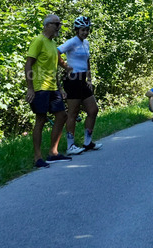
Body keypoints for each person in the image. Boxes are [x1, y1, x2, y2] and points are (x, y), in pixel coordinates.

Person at [24, 14, 73, 168]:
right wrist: (30, 88)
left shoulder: (52, 44)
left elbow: (54, 67)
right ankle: (37, 157)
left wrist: (60, 87)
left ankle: (53, 153)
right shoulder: (39, 41)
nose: (59, 27)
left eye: (59, 24)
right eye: (56, 24)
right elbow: (28, 64)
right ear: (47, 25)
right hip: (40, 88)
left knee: (62, 116)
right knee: (41, 120)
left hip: (52, 87)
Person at [60, 16, 103, 155]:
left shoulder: (86, 43)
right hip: (72, 80)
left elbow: (87, 61)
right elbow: (56, 53)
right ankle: (70, 145)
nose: (85, 32)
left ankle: (87, 142)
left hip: (83, 80)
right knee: (73, 112)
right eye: (83, 30)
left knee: (93, 110)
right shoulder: (72, 42)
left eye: (87, 30)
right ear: (77, 30)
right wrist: (66, 67)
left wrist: (89, 80)